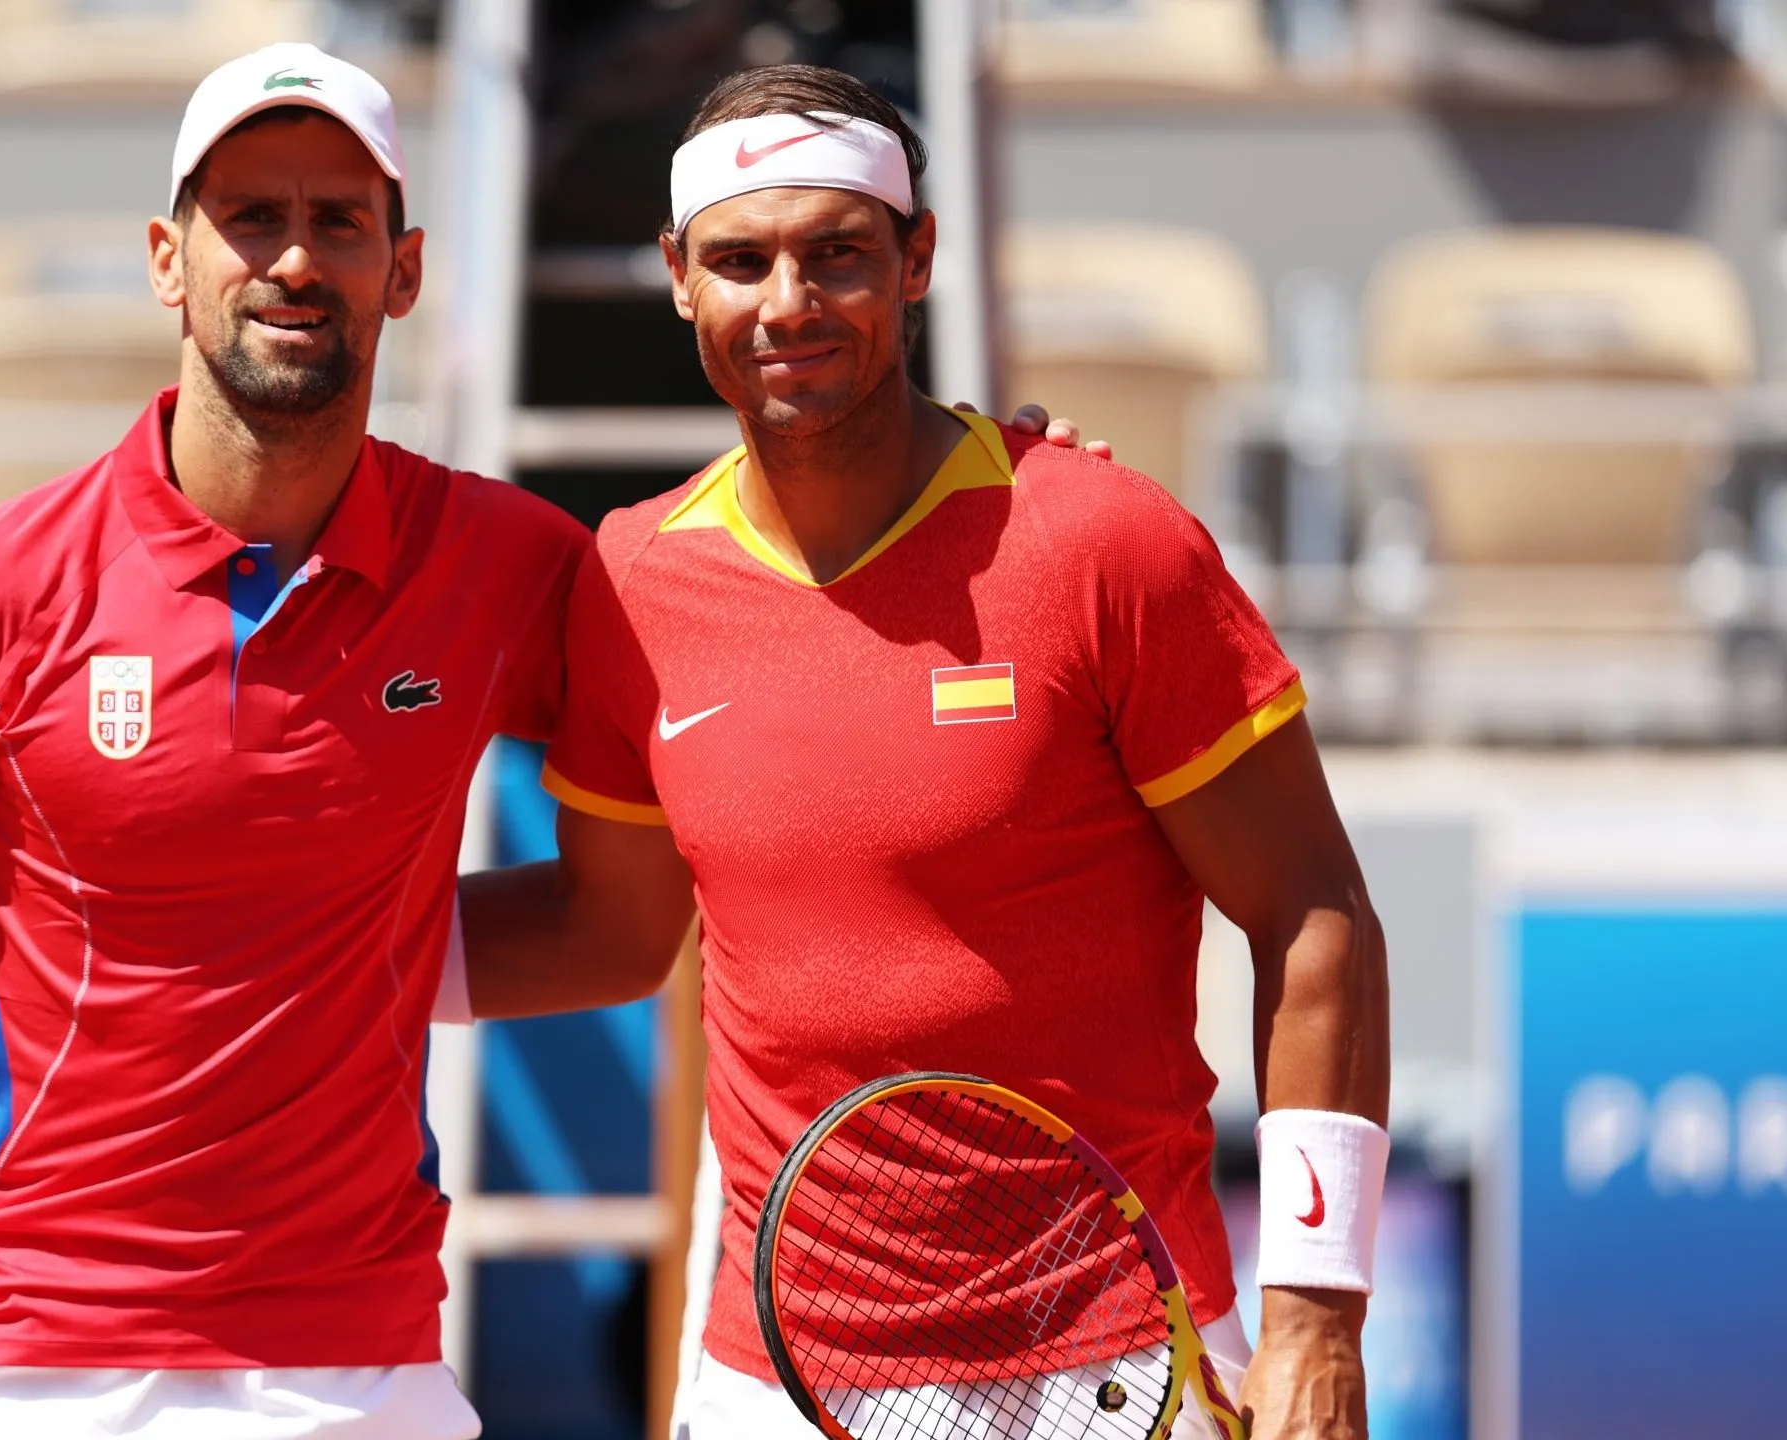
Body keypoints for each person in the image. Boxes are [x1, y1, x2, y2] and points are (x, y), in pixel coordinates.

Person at [0, 43, 1096, 1440]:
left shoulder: (508, 563)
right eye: (251, 216)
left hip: (367, 1377)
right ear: (166, 260)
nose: (295, 259)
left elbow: (766, 641)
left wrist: (975, 490)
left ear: (406, 269)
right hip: (28, 1368)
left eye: (339, 221)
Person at [457, 65, 1391, 1440]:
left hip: (1113, 1360)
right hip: (766, 1380)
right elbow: (609, 932)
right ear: (676, 277)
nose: (788, 303)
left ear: (919, 259)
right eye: (741, 259)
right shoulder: (629, 581)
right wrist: (277, 951)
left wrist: (1317, 1316)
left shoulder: (1104, 540)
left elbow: (1315, 916)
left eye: (837, 253)